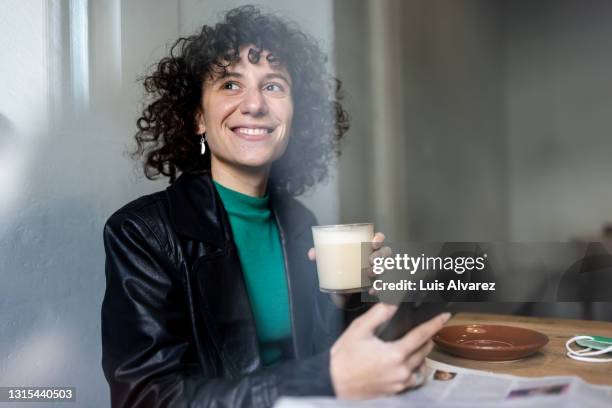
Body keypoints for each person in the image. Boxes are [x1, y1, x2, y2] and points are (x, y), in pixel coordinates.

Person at [101, 6, 450, 407]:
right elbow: (146, 397)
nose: (254, 105)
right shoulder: (141, 232)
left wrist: (347, 300)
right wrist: (320, 379)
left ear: (295, 115)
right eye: (231, 85)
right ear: (198, 116)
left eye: (273, 86)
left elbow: (331, 358)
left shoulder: (301, 223)